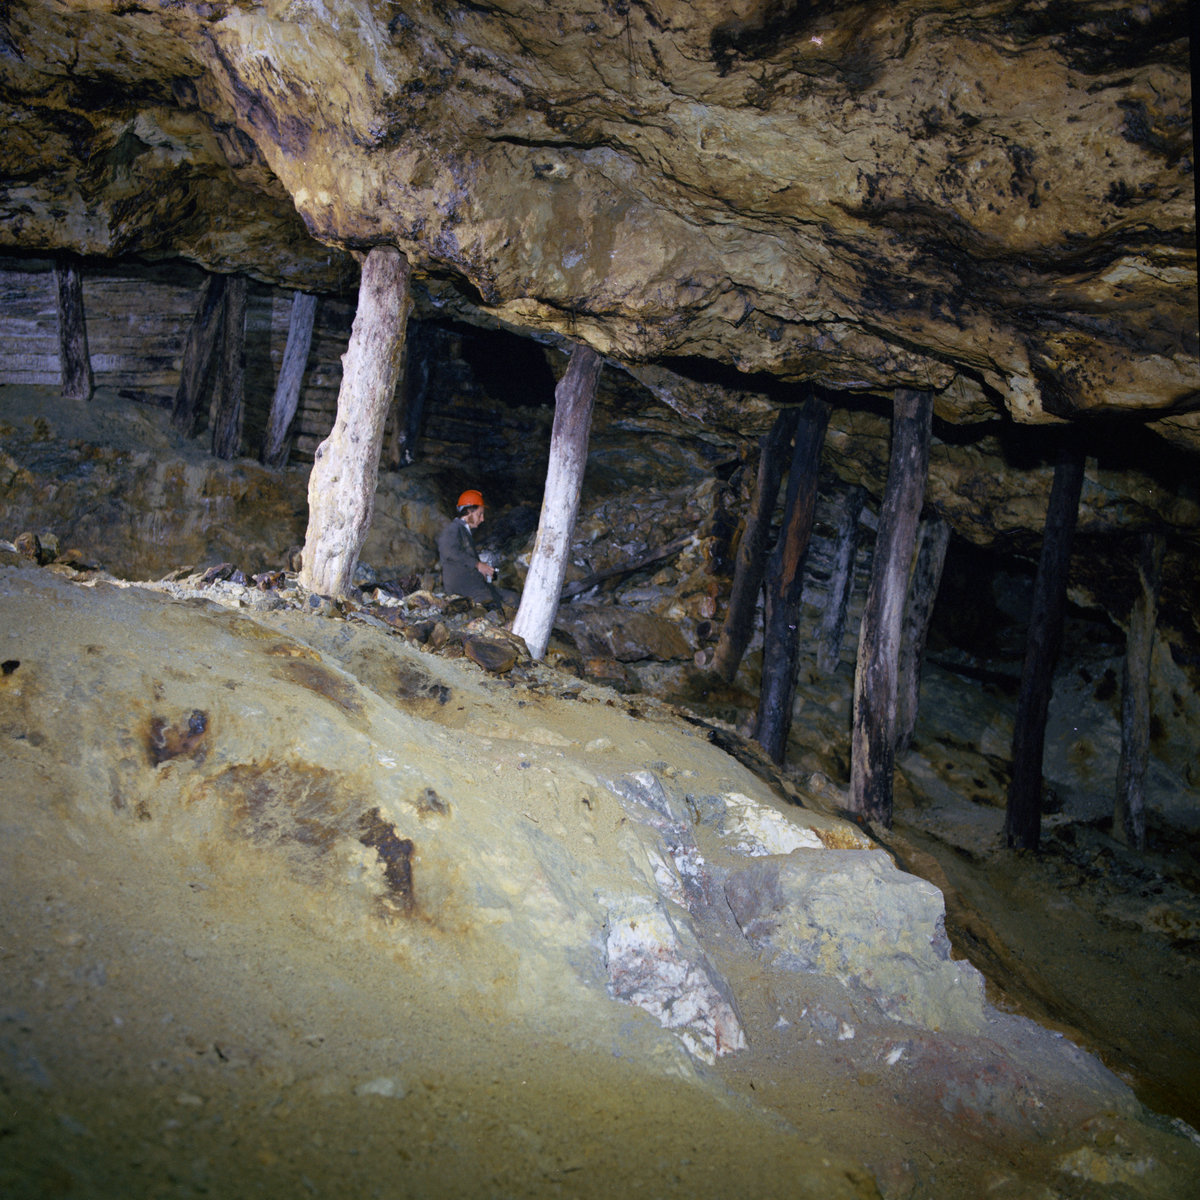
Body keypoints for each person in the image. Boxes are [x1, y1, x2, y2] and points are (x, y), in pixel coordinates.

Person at [436, 488, 505, 610]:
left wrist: (483, 570)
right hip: (464, 590)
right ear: (469, 512)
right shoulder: (453, 529)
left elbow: (462, 558)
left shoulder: (464, 531)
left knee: (511, 599)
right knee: (501, 605)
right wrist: (478, 565)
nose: (482, 519)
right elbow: (448, 551)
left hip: (472, 586)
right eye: (480, 514)